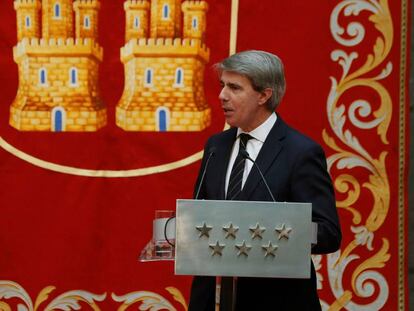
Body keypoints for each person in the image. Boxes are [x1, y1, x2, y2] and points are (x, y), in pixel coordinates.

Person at [188, 50, 342, 310]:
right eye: (222, 85)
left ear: (264, 95)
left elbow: (328, 234)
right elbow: (199, 216)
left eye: (234, 88)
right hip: (213, 301)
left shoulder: (300, 153)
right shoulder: (216, 146)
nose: (222, 95)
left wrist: (277, 230)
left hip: (276, 302)